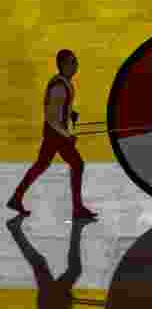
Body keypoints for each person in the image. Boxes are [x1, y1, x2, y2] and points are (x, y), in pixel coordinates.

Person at [7, 49, 98, 219]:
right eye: (73, 62)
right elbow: (50, 117)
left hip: (54, 134)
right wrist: (67, 135)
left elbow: (57, 108)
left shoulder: (64, 82)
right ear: (63, 65)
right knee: (77, 164)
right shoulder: (59, 86)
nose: (76, 65)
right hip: (56, 134)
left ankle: (16, 197)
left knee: (42, 164)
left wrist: (71, 113)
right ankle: (77, 208)